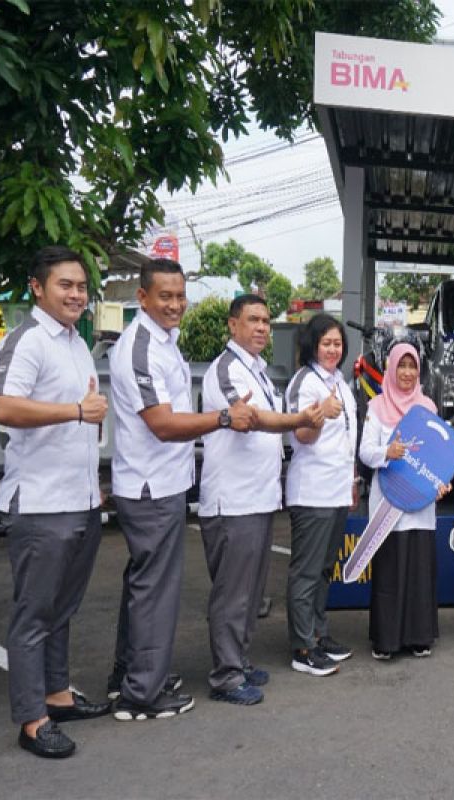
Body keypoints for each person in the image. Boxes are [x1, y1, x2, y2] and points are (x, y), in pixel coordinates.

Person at [108, 258, 256, 721]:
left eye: (179, 296)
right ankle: (142, 694)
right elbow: (163, 424)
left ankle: (131, 675)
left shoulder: (163, 342)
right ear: (143, 298)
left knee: (145, 586)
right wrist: (225, 417)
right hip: (150, 487)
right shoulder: (140, 347)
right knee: (156, 591)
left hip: (163, 484)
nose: (175, 305)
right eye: (164, 296)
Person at [0, 247, 112, 757]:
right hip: (40, 503)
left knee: (63, 609)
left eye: (82, 287)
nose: (77, 295)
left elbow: (85, 417)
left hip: (79, 499)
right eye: (66, 285)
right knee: (34, 615)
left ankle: (57, 694)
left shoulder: (76, 344)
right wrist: (74, 412)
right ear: (38, 287)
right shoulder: (27, 341)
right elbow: (0, 406)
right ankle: (32, 719)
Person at [197, 295, 327, 706]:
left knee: (251, 593)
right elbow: (252, 420)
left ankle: (239, 660)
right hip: (231, 500)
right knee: (232, 594)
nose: (261, 328)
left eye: (266, 321)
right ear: (232, 325)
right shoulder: (225, 370)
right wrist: (303, 418)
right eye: (252, 320)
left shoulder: (258, 371)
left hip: (257, 498)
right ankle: (226, 676)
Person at [359, 343, 446, 659]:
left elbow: (438, 457)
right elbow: (365, 452)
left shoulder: (427, 407)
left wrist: (440, 483)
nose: (407, 373)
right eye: (402, 366)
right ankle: (387, 640)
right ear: (391, 368)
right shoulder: (376, 407)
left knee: (419, 571)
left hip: (421, 506)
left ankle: (419, 637)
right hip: (388, 505)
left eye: (412, 366)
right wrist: (387, 453)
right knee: (390, 573)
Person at [284, 314, 359, 676]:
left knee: (324, 569)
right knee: (307, 571)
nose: (333, 349)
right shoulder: (305, 381)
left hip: (336, 490)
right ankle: (303, 646)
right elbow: (301, 436)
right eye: (327, 342)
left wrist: (351, 483)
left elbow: (345, 440)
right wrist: (319, 416)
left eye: (338, 343)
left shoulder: (339, 382)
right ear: (313, 344)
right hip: (311, 491)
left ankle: (318, 632)